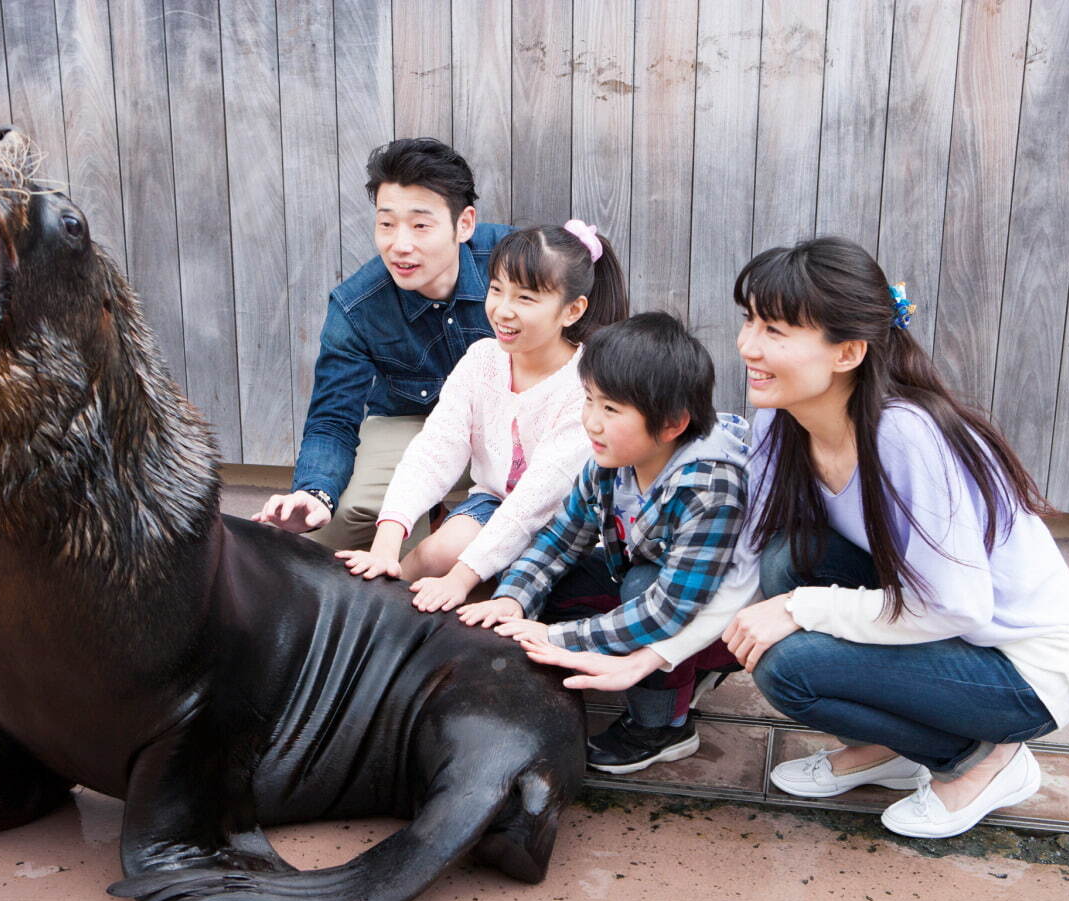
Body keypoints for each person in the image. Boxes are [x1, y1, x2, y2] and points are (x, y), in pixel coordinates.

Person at [541, 237, 1069, 838]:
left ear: (848, 352)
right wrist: (648, 660)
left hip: (1022, 669)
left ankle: (979, 761)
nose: (748, 346)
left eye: (776, 330)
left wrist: (801, 608)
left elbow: (957, 605)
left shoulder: (906, 436)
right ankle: (884, 749)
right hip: (941, 634)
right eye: (749, 320)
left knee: (789, 666)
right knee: (788, 560)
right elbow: (744, 572)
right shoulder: (779, 421)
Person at [457, 312, 750, 774]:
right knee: (537, 583)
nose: (592, 421)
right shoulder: (612, 459)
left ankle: (663, 727)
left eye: (611, 409)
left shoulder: (708, 487)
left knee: (640, 587)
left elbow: (668, 609)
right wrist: (514, 599)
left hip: (721, 623)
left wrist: (560, 637)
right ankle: (663, 676)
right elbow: (559, 538)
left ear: (672, 423)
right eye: (589, 400)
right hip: (656, 586)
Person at [333, 223, 628, 614]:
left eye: (525, 297)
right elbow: (435, 450)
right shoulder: (483, 360)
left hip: (566, 527)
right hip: (494, 502)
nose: (503, 310)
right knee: (439, 551)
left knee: (476, 590)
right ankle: (371, 616)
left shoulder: (586, 387)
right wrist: (386, 544)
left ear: (572, 310)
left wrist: (460, 580)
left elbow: (533, 504)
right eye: (496, 290)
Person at [253, 138, 512, 551]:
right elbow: (333, 417)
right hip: (414, 423)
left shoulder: (514, 259)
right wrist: (314, 492)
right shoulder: (356, 307)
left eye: (420, 225)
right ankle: (429, 517)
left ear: (464, 224)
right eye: (386, 223)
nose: (400, 244)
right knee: (325, 532)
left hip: (517, 417)